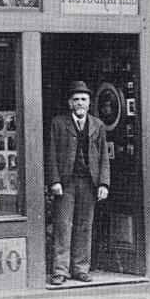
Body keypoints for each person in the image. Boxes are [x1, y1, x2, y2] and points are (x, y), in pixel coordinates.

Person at [47, 80, 110, 285]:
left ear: (89, 103)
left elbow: (103, 158)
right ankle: (60, 270)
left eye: (83, 99)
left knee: (84, 226)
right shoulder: (58, 123)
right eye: (76, 99)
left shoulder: (98, 126)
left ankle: (81, 268)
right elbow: (52, 154)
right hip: (66, 183)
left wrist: (103, 184)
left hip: (89, 183)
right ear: (69, 103)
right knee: (63, 225)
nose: (80, 103)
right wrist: (54, 180)